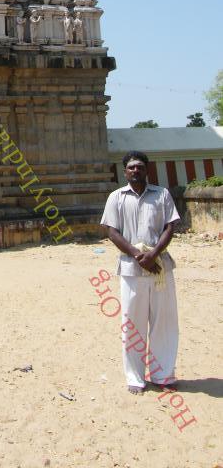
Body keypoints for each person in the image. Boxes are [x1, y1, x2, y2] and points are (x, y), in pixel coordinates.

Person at [100, 151, 180, 394]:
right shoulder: (116, 197)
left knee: (163, 323)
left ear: (147, 170)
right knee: (132, 325)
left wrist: (153, 254)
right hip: (131, 269)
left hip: (160, 268)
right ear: (125, 172)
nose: (136, 171)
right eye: (132, 167)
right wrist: (138, 255)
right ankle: (135, 377)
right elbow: (112, 231)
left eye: (140, 167)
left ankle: (163, 375)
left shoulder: (162, 194)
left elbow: (170, 226)